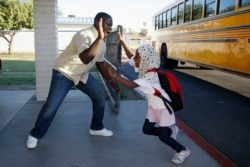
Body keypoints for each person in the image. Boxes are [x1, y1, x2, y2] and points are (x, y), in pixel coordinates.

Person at [26, 12, 120, 149]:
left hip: (81, 74)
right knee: (52, 106)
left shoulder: (103, 43)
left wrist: (110, 80)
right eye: (108, 24)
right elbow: (85, 58)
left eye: (111, 25)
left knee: (99, 96)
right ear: (98, 23)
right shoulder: (83, 35)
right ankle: (35, 135)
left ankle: (96, 127)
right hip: (64, 72)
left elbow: (100, 64)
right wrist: (99, 38)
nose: (110, 27)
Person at [106, 30, 190, 164]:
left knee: (163, 137)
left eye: (138, 57)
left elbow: (131, 85)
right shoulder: (146, 66)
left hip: (163, 109)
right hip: (153, 107)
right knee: (147, 130)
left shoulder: (150, 77)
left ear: (145, 59)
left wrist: (114, 76)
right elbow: (131, 57)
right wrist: (122, 41)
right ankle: (169, 131)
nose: (135, 59)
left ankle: (183, 150)